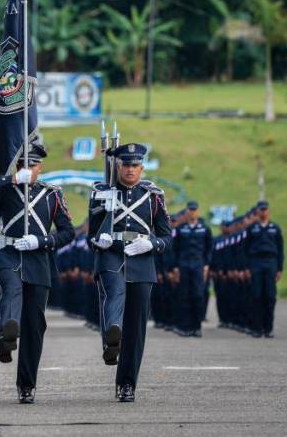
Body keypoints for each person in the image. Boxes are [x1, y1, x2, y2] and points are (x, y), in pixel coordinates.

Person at [0, 143, 74, 404]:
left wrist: (41, 241)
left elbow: (67, 232)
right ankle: (7, 332)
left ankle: (27, 384)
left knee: (34, 324)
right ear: (18, 167)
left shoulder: (53, 195)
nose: (28, 170)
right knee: (11, 290)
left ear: (40, 168)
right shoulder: (6, 191)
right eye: (23, 165)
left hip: (38, 261)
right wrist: (11, 179)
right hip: (9, 256)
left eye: (33, 166)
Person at [88, 143, 171, 403]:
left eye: (135, 165)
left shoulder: (154, 196)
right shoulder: (102, 193)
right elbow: (93, 230)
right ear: (118, 166)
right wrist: (98, 239)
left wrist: (152, 244)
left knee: (135, 328)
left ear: (142, 167)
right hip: (112, 255)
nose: (130, 170)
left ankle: (127, 384)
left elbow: (167, 236)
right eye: (125, 165)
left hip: (142, 261)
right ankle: (111, 339)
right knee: (114, 298)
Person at [173, 201, 213, 337]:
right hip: (183, 266)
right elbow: (175, 249)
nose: (192, 212)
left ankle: (197, 327)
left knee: (198, 296)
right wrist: (175, 268)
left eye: (194, 210)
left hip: (198, 266)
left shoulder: (204, 229)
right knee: (184, 296)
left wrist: (206, 265)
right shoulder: (180, 229)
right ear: (187, 212)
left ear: (198, 211)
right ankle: (186, 327)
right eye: (190, 209)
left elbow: (209, 249)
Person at [244, 200, 283, 338]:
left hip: (271, 262)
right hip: (256, 263)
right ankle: (257, 328)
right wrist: (247, 268)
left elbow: (280, 249)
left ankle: (268, 328)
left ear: (269, 211)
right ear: (258, 211)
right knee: (256, 296)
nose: (263, 212)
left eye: (265, 209)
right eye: (261, 209)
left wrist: (280, 269)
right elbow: (245, 249)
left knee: (270, 297)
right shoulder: (252, 228)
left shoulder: (275, 228)